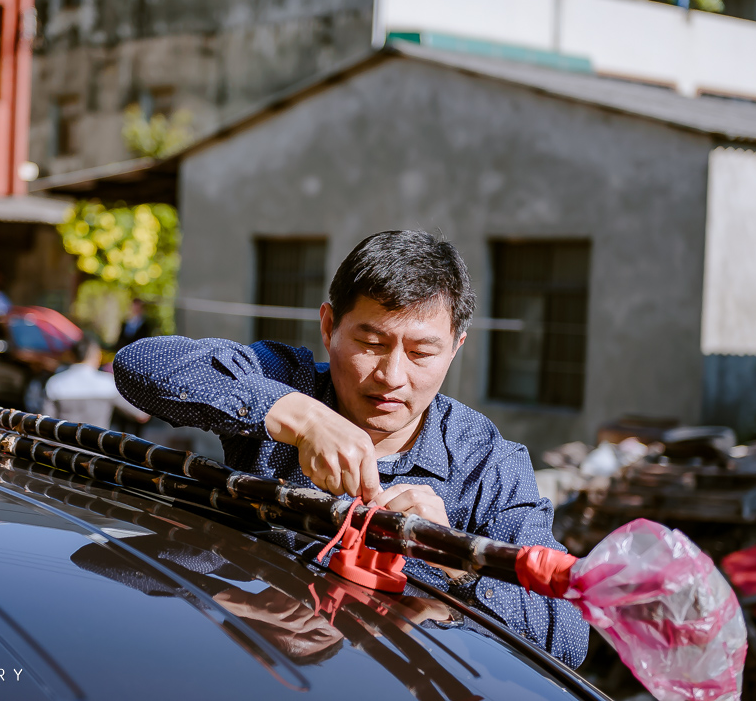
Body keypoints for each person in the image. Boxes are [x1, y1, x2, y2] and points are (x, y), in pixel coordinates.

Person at [114, 230, 589, 666]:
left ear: (456, 348)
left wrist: (457, 560)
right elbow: (141, 365)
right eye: (370, 341)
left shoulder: (486, 464)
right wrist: (297, 416)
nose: (392, 376)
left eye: (422, 353)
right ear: (328, 327)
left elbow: (568, 636)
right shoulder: (287, 380)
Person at [44, 336, 151, 429]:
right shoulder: (108, 384)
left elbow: (45, 423)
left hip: (65, 448)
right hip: (96, 449)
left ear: (72, 356)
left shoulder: (54, 384)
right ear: (96, 356)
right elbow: (141, 415)